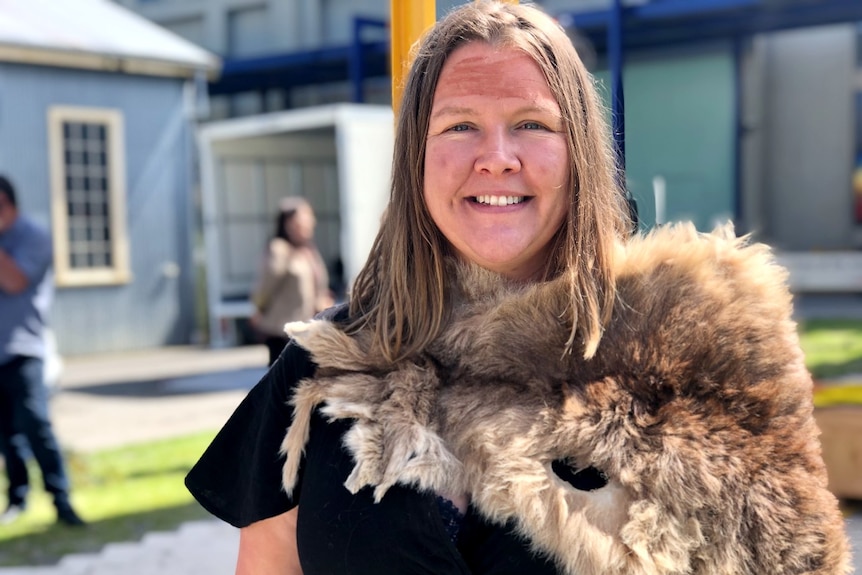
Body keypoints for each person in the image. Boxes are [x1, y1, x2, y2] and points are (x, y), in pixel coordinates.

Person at [186, 2, 629, 572]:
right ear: (416, 155)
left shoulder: (681, 369)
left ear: (580, 154)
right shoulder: (322, 371)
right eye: (460, 125)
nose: (495, 158)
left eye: (532, 123)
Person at [0, 175, 86, 527]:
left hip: (24, 348)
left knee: (36, 423)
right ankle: (17, 498)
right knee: (6, 432)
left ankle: (61, 500)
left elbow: (15, 280)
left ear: (9, 204)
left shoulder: (33, 237)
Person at [250, 196, 334, 366]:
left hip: (308, 330)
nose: (312, 221)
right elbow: (264, 287)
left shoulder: (309, 251)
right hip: (283, 333)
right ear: (289, 222)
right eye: (305, 216)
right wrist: (258, 308)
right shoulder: (279, 249)